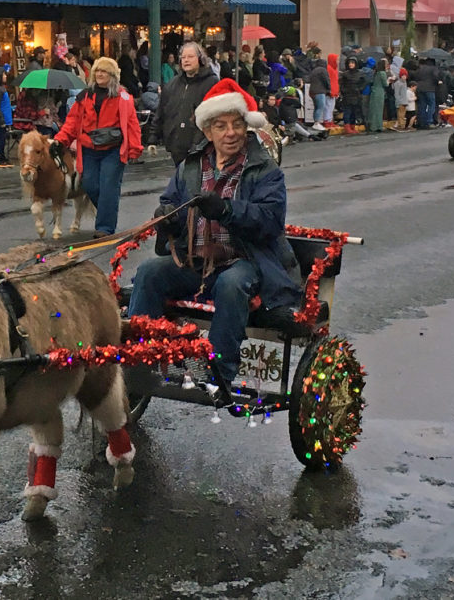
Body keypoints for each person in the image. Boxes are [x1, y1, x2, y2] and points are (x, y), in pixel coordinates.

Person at [127, 79, 301, 384]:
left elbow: (271, 221)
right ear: (208, 131)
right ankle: (142, 356)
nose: (230, 132)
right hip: (195, 262)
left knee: (231, 284)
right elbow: (171, 202)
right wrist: (165, 216)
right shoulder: (190, 167)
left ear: (246, 127)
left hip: (246, 261)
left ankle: (217, 371)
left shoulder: (265, 169)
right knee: (149, 272)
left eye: (236, 124)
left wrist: (226, 210)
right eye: (220, 126)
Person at [49, 56, 143, 237]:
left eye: (104, 71)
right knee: (89, 184)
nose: (100, 74)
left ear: (112, 75)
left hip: (114, 150)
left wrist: (134, 148)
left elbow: (131, 124)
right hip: (89, 149)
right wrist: (60, 141)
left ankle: (105, 228)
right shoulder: (84, 96)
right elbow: (73, 122)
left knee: (108, 186)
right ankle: (108, 210)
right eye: (97, 71)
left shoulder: (123, 97)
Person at [150, 41, 218, 166]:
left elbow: (214, 115)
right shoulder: (173, 84)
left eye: (190, 57)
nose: (186, 60)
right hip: (176, 145)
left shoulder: (211, 82)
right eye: (183, 57)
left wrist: (199, 142)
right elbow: (162, 111)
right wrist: (153, 138)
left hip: (201, 147)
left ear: (200, 58)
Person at [413, 57, 442, 129]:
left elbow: (415, 76)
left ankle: (421, 122)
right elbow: (436, 76)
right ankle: (429, 121)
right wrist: (438, 81)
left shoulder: (420, 69)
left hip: (420, 88)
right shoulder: (433, 68)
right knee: (431, 105)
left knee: (422, 105)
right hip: (430, 88)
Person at [339, 57, 364, 134]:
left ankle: (352, 127)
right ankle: (347, 127)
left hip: (356, 96)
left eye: (352, 63)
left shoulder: (360, 74)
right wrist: (344, 91)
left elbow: (363, 82)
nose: (351, 64)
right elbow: (341, 84)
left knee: (354, 112)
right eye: (350, 63)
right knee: (347, 112)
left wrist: (359, 89)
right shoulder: (345, 74)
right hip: (348, 96)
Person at [367, 58, 387, 132]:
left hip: (374, 92)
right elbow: (385, 84)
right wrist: (390, 80)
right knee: (379, 110)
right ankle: (378, 126)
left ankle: (373, 125)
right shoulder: (383, 73)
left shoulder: (376, 72)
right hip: (380, 92)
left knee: (373, 110)